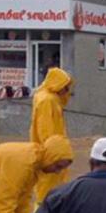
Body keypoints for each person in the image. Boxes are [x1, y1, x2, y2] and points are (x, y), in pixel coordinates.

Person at [29, 67, 73, 204]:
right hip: (52, 153)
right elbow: (46, 130)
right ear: (57, 85)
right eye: (65, 87)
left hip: (50, 150)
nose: (67, 91)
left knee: (47, 187)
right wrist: (53, 153)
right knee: (48, 188)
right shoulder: (48, 101)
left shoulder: (45, 97)